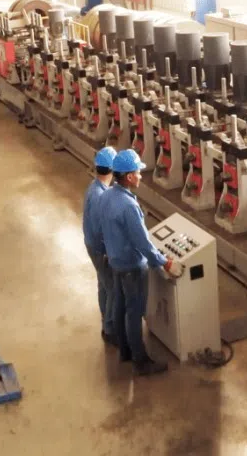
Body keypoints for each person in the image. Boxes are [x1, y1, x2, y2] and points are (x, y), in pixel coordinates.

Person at [101, 149, 184, 376]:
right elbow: (143, 243)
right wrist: (165, 263)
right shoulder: (129, 206)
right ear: (128, 176)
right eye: (138, 172)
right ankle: (141, 361)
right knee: (134, 312)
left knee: (119, 306)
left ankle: (125, 351)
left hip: (115, 261)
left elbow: (104, 227)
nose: (140, 176)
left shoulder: (107, 195)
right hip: (131, 266)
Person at [84, 147, 117, 345]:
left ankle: (106, 320)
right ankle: (111, 330)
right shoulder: (100, 196)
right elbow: (100, 228)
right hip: (99, 248)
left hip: (92, 244)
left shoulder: (95, 188)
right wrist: (108, 251)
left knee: (103, 284)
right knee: (112, 287)